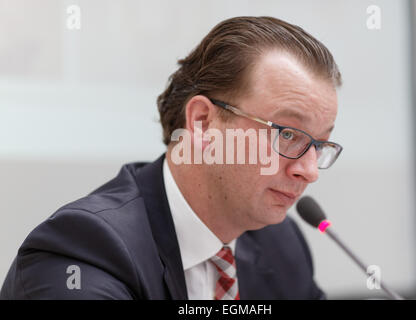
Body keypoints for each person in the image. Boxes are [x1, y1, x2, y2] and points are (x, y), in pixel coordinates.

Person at [0, 16, 342, 300]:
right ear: (203, 122)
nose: (309, 171)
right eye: (287, 134)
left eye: (321, 145)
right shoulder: (85, 249)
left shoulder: (280, 244)